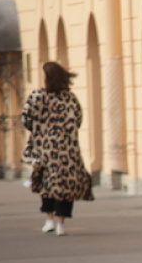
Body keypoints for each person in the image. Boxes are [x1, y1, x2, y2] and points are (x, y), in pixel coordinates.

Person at [21, 61, 94, 236]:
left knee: (47, 184)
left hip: (45, 148)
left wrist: (40, 130)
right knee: (65, 186)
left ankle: (49, 221)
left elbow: (26, 119)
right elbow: (78, 120)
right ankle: (61, 224)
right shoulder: (70, 98)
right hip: (67, 149)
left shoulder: (37, 96)